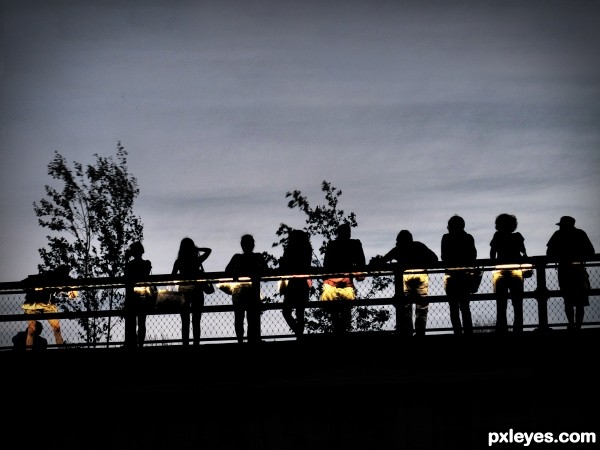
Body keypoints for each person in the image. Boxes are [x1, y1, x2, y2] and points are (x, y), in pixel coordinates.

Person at [378, 230, 438, 337]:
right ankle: (420, 332)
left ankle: (407, 331)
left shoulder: (398, 249)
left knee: (405, 306)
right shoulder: (419, 246)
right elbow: (434, 258)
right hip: (421, 276)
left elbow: (384, 259)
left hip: (405, 277)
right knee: (422, 305)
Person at [546, 216, 595, 331]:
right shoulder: (580, 234)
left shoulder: (557, 235)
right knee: (579, 301)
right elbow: (591, 251)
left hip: (564, 270)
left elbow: (549, 252)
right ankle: (577, 326)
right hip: (578, 270)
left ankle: (572, 325)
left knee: (568, 299)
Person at [320, 223, 366, 334]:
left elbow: (326, 265)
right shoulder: (354, 244)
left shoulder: (332, 245)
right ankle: (343, 333)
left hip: (331, 283)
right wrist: (359, 274)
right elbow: (361, 264)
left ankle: (338, 332)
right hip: (344, 284)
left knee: (335, 314)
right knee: (345, 312)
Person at [225, 234, 268, 343]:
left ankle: (243, 341)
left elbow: (227, 271)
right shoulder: (256, 257)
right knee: (249, 318)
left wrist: (235, 274)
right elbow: (266, 271)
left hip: (242, 291)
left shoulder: (238, 257)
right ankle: (249, 341)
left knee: (242, 318)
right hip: (249, 291)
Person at [489, 213, 528, 334]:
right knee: (517, 304)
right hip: (516, 272)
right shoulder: (517, 237)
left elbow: (492, 252)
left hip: (500, 273)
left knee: (501, 304)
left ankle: (501, 329)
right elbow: (524, 252)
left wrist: (494, 263)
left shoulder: (497, 236)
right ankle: (518, 330)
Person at [172, 237, 213, 346]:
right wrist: (197, 249)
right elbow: (208, 250)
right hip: (197, 290)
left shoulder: (179, 261)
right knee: (196, 320)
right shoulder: (196, 260)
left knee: (185, 321)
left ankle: (185, 344)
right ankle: (196, 344)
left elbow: (172, 276)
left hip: (183, 292)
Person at [21, 265, 75, 347]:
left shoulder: (63, 280)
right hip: (34, 302)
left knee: (55, 329)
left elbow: (73, 294)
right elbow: (24, 284)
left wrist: (70, 289)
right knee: (32, 330)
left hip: (46, 304)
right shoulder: (49, 277)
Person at [441, 215, 477, 335]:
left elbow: (444, 256)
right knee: (465, 308)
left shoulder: (446, 238)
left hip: (451, 277)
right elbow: (473, 256)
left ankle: (458, 332)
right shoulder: (468, 238)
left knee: (454, 308)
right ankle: (468, 332)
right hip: (465, 277)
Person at [279, 229, 313, 338]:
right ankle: (299, 334)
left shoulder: (291, 249)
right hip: (301, 283)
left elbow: (286, 264)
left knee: (289, 311)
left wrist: (284, 263)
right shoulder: (306, 249)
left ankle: (299, 334)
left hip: (294, 283)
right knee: (299, 312)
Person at [124, 241, 153, 349]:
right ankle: (139, 344)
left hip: (133, 296)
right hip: (142, 295)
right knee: (141, 321)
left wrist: (126, 260)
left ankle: (135, 344)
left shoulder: (134, 264)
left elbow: (126, 276)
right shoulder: (146, 263)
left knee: (135, 322)